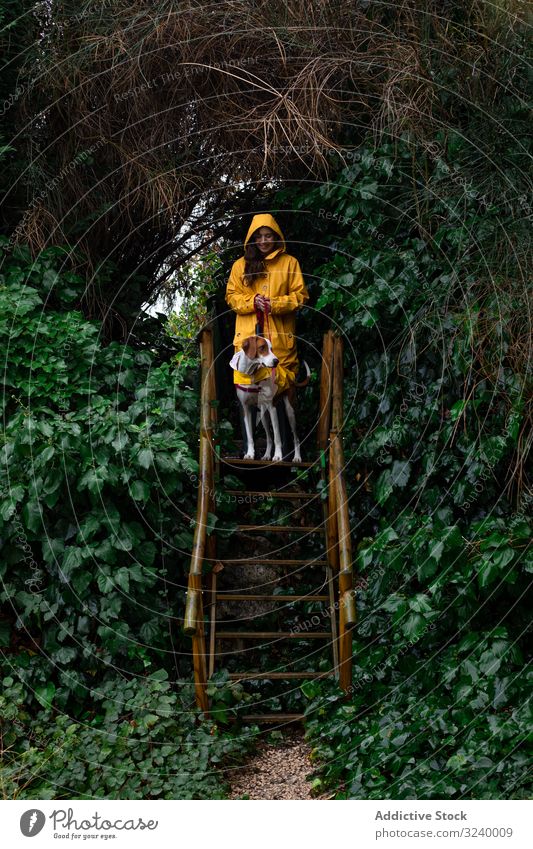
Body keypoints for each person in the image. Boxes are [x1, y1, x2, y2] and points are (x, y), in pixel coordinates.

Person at [225, 213, 309, 393]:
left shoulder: (290, 263)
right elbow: (231, 297)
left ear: (276, 236)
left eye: (268, 235)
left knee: (284, 396)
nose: (263, 241)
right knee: (249, 394)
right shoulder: (240, 266)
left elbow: (300, 296)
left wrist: (275, 304)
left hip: (280, 341)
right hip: (249, 344)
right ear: (253, 238)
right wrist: (252, 301)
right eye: (259, 236)